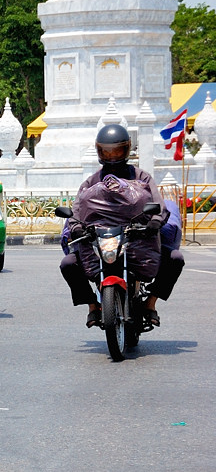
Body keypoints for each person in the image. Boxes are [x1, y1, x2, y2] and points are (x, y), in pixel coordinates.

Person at [59, 124, 175, 327]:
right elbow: (77, 209)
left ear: (127, 150)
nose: (112, 156)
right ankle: (92, 306)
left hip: (137, 238)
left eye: (117, 151)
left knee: (176, 259)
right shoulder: (91, 181)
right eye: (106, 151)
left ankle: (151, 302)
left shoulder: (142, 177)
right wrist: (76, 225)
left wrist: (155, 222)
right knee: (68, 264)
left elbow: (159, 205)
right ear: (99, 151)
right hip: (100, 240)